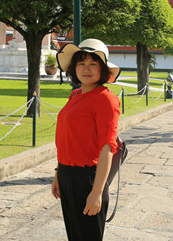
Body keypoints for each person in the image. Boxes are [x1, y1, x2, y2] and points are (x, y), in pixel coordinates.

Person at [52, 39, 121, 241]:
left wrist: (97, 192)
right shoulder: (75, 94)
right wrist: (58, 172)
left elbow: (108, 146)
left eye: (93, 63)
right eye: (81, 63)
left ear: (103, 69)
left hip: (88, 178)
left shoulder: (105, 99)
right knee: (75, 235)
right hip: (67, 174)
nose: (86, 69)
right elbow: (68, 139)